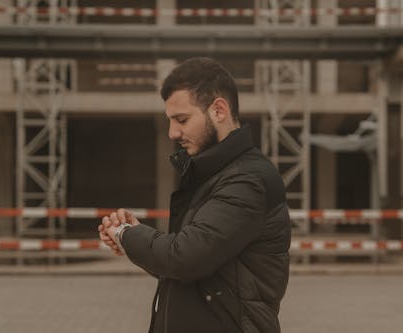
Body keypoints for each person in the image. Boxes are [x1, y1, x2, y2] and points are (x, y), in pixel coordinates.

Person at [98, 57, 291, 333]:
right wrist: (135, 235)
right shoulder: (212, 176)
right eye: (170, 121)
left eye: (182, 120)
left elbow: (184, 258)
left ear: (219, 111)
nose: (173, 132)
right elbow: (189, 266)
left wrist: (126, 234)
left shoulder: (247, 180)